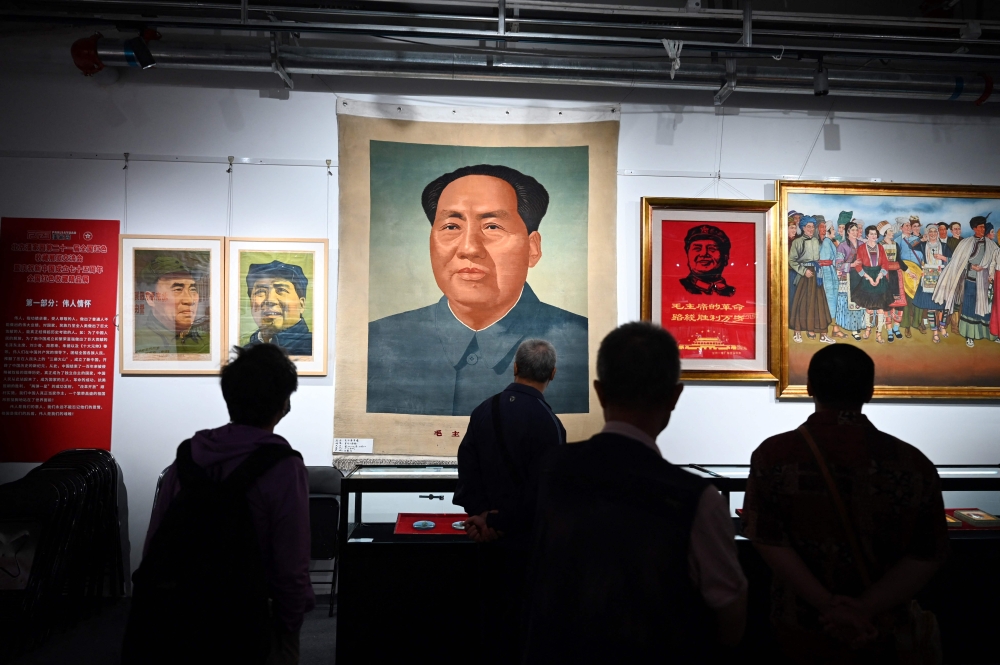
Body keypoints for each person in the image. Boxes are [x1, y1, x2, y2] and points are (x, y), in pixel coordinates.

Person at [523, 322, 747, 664]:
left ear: (599, 392)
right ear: (675, 396)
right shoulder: (697, 498)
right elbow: (730, 618)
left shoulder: (552, 469)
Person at [742, 344, 949, 664]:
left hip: (801, 626)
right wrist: (864, 608)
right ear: (869, 391)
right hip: (881, 628)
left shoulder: (774, 455)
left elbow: (766, 538)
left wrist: (827, 605)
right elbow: (927, 553)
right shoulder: (913, 463)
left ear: (809, 386)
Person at [130, 344, 313, 664]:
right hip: (244, 620)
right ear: (284, 403)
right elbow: (291, 563)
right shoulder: (283, 467)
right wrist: (289, 628)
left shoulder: (189, 456)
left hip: (175, 618)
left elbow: (155, 542)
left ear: (230, 398)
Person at [367, 164, 588, 416]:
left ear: (532, 248)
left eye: (492, 227)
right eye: (451, 227)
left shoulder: (583, 345)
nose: (469, 248)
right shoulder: (377, 341)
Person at [453, 339, 565, 664]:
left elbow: (468, 467)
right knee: (524, 631)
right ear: (553, 374)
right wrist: (500, 523)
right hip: (526, 545)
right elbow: (543, 492)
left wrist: (481, 518)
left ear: (515, 368)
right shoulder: (551, 424)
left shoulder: (484, 410)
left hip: (486, 542)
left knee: (490, 625)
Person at [932, 215, 1000, 347]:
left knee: (986, 308)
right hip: (970, 280)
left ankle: (989, 334)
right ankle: (969, 336)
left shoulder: (991, 244)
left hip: (985, 282)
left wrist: (990, 272)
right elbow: (958, 261)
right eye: (980, 227)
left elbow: (995, 260)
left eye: (984, 227)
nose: (983, 229)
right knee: (969, 307)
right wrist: (971, 266)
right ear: (974, 228)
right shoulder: (966, 243)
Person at [135, 256, 210, 355]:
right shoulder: (138, 341)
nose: (189, 300)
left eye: (192, 289)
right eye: (177, 289)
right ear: (151, 298)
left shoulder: (207, 341)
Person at [245, 260, 313, 356]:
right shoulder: (245, 353)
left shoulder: (314, 349)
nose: (270, 300)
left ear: (301, 304)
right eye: (260, 291)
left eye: (281, 290)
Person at [789, 215, 835, 344]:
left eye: (812, 227)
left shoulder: (815, 241)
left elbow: (817, 259)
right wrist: (804, 271)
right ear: (803, 228)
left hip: (816, 273)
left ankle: (823, 335)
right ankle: (797, 333)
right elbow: (791, 260)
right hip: (804, 275)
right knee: (801, 303)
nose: (810, 229)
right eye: (808, 227)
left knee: (820, 303)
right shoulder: (797, 242)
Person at [850, 225, 893, 344]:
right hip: (866, 277)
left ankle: (879, 333)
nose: (874, 236)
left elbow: (885, 264)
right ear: (867, 235)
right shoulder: (862, 248)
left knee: (880, 309)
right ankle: (868, 329)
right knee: (868, 308)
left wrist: (879, 277)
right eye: (871, 234)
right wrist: (868, 277)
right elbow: (858, 265)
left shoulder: (881, 247)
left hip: (879, 276)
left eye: (875, 234)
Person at [913, 223, 952, 343]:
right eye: (930, 232)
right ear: (927, 233)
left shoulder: (945, 246)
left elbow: (953, 260)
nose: (933, 234)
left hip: (942, 277)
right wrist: (920, 239)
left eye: (935, 231)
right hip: (928, 277)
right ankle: (935, 331)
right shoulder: (923, 245)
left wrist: (943, 258)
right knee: (931, 307)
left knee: (943, 306)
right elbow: (911, 246)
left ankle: (942, 326)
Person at [679, 224, 736, 296]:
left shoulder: (732, 292)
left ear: (725, 257)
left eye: (712, 249)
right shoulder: (678, 287)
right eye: (697, 249)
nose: (703, 254)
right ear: (688, 255)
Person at [835, 221, 867, 341]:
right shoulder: (842, 246)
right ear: (847, 232)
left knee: (861, 301)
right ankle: (853, 329)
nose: (855, 232)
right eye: (852, 230)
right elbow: (838, 265)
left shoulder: (862, 244)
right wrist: (852, 264)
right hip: (847, 278)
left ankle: (860, 325)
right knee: (851, 303)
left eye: (856, 230)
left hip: (861, 276)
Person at [896, 217, 927, 338]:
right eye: (906, 226)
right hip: (905, 271)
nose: (909, 228)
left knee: (919, 296)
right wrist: (907, 270)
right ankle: (907, 325)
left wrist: (924, 266)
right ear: (901, 228)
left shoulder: (918, 239)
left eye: (910, 226)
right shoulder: (897, 241)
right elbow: (897, 258)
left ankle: (917, 323)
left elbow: (924, 253)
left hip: (919, 270)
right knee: (907, 299)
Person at [878, 221, 905, 342]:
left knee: (900, 304)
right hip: (885, 275)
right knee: (887, 304)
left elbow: (899, 259)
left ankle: (896, 327)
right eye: (890, 231)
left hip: (897, 275)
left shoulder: (896, 244)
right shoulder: (879, 245)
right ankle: (889, 331)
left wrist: (908, 271)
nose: (892, 233)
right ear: (885, 233)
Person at [818, 219, 842, 338]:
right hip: (827, 274)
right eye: (832, 229)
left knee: (834, 300)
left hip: (831, 272)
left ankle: (835, 328)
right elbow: (824, 260)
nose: (835, 231)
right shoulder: (827, 242)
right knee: (831, 300)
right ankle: (833, 329)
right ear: (828, 231)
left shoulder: (830, 242)